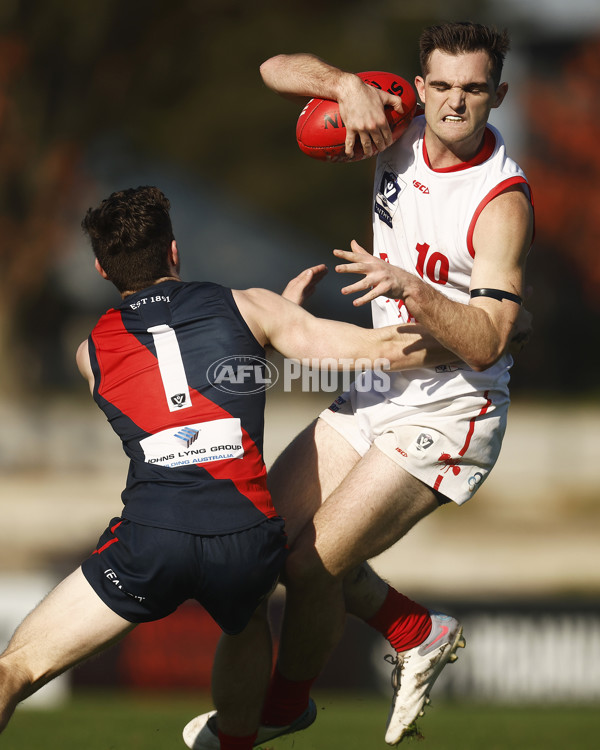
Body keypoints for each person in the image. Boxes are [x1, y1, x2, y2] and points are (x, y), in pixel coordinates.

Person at [0, 186, 460, 750]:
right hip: (245, 541)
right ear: (174, 251)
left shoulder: (89, 352)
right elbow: (375, 350)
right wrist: (477, 343)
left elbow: (173, 388)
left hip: (153, 540)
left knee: (13, 672)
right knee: (242, 621)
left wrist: (261, 331)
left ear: (100, 268)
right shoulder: (249, 305)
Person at [184, 21, 534, 749]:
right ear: (420, 84)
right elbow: (273, 65)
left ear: (498, 93)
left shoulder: (500, 203)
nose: (453, 104)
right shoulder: (396, 109)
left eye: (473, 89)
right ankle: (415, 630)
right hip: (380, 384)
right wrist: (344, 85)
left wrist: (414, 288)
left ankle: (284, 708)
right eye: (440, 85)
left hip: (451, 409)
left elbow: (490, 340)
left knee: (312, 566)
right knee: (259, 544)